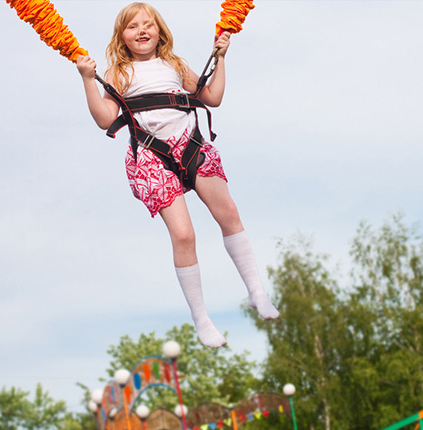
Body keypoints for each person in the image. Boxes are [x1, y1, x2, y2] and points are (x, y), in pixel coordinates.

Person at [76, 2, 278, 348]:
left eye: (148, 25)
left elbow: (211, 97)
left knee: (228, 214)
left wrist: (221, 58)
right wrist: (86, 79)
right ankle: (202, 318)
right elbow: (105, 119)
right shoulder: (117, 74)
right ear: (122, 37)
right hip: (152, 155)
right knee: (184, 235)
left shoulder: (174, 65)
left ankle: (256, 291)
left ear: (159, 31)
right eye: (132, 27)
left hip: (190, 143)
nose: (142, 31)